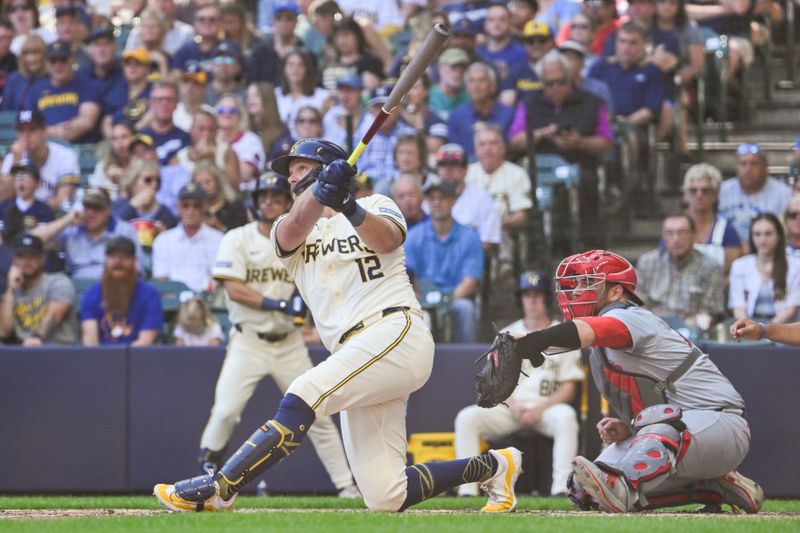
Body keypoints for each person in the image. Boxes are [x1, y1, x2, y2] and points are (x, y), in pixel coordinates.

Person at [153, 137, 522, 514]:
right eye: (290, 172)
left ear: (324, 166)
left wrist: (347, 204)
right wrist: (321, 195)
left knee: (305, 389)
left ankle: (223, 487)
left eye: (299, 169)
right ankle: (494, 467)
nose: (291, 179)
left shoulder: (376, 205)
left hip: (396, 330)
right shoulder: (287, 226)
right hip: (353, 354)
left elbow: (388, 239)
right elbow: (294, 227)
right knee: (385, 496)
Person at [500, 249, 762, 513]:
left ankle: (689, 474)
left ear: (616, 292)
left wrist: (534, 340)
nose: (577, 291)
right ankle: (717, 486)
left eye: (587, 283)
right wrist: (630, 429)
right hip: (683, 431)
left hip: (721, 422)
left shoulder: (630, 316)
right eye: (575, 284)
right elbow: (656, 402)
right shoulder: (599, 350)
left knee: (621, 480)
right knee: (585, 492)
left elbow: (587, 330)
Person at [196, 172, 360, 498]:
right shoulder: (238, 237)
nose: (268, 202)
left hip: (289, 342)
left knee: (318, 412)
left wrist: (305, 307)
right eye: (263, 197)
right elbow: (233, 288)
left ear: (288, 201)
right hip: (248, 341)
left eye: (275, 196)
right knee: (226, 411)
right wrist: (279, 303)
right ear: (254, 203)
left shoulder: (301, 234)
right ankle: (205, 479)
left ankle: (346, 486)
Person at [455, 271, 583, 497]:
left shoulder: (561, 335)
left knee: (566, 417)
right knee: (467, 418)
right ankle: (467, 490)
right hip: (511, 408)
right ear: (520, 299)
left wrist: (539, 409)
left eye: (537, 295)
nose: (532, 300)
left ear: (546, 298)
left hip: (546, 410)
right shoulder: (505, 336)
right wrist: (515, 408)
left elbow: (568, 388)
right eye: (527, 295)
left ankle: (562, 489)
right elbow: (495, 382)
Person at [405, 179, 484, 343]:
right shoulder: (414, 236)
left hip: (454, 297)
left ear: (453, 200)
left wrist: (445, 301)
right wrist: (421, 299)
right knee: (409, 313)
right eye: (432, 198)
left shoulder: (470, 237)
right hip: (421, 298)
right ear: (426, 202)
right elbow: (407, 277)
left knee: (465, 308)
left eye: (443, 198)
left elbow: (470, 282)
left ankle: (467, 362)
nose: (437, 202)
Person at [32, 187, 144, 280]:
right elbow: (33, 240)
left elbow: (137, 268)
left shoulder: (123, 230)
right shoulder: (72, 229)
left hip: (114, 287)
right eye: (87, 207)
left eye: (97, 208)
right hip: (76, 291)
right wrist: (65, 221)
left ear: (109, 209)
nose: (91, 213)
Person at [636, 213, 724, 328]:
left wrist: (685, 325)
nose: (676, 239)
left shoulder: (710, 267)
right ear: (663, 236)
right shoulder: (647, 262)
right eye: (669, 233)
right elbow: (639, 302)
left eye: (682, 232)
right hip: (652, 328)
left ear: (693, 235)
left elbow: (712, 311)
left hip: (692, 331)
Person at [80, 236, 163, 346]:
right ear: (105, 260)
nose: (118, 262)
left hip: (138, 358)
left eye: (124, 257)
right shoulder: (92, 294)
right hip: (100, 359)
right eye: (112, 256)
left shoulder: (150, 295)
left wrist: (122, 360)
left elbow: (145, 341)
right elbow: (90, 340)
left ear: (134, 261)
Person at [0, 233, 77, 345]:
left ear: (42, 259)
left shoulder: (58, 282)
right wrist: (11, 290)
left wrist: (38, 337)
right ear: (13, 259)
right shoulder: (10, 290)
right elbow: (3, 332)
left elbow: (54, 316)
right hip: (20, 353)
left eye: (32, 256)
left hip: (57, 351)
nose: (26, 261)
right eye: (21, 256)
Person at [0, 108, 80, 210]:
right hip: (20, 219)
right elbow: (2, 198)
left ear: (44, 131)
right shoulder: (13, 157)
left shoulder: (65, 156)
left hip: (53, 220)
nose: (26, 136)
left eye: (32, 129)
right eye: (21, 130)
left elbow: (62, 202)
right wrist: (16, 162)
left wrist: (30, 210)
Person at [152, 183, 224, 293]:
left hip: (208, 300)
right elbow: (161, 279)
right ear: (178, 207)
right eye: (185, 206)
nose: (190, 211)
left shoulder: (218, 239)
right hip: (173, 301)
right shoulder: (163, 240)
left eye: (196, 206)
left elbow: (219, 278)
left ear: (204, 207)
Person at [728, 214, 800, 324]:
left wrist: (765, 331)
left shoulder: (795, 265)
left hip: (783, 329)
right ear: (751, 237)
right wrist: (748, 327)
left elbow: (791, 309)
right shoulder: (739, 265)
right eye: (757, 234)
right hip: (748, 329)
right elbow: (738, 306)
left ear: (779, 235)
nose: (762, 239)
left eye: (768, 233)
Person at [25, 40, 101, 144]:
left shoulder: (87, 86)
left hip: (81, 148)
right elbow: (28, 124)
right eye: (53, 61)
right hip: (45, 149)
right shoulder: (36, 90)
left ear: (72, 60)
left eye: (63, 60)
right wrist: (55, 131)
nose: (58, 65)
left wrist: (54, 131)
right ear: (46, 64)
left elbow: (87, 121)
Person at [718, 144, 792, 248]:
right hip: (729, 249)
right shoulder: (724, 190)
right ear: (737, 168)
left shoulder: (783, 193)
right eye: (743, 164)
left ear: (765, 167)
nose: (748, 169)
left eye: (754, 164)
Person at [467, 125, 532, 234]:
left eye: (493, 143)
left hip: (503, 232)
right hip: (468, 232)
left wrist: (494, 224)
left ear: (503, 148)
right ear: (476, 150)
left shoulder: (517, 174)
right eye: (482, 144)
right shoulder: (466, 172)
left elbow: (521, 215)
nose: (487, 148)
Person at [435, 143, 502, 250]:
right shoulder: (429, 199)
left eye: (454, 165)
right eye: (443, 165)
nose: (448, 169)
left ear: (465, 169)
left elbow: (487, 241)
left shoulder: (482, 198)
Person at [681, 163, 742, 273]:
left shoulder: (727, 230)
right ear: (686, 195)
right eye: (693, 190)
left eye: (705, 191)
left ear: (716, 194)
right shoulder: (675, 228)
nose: (699, 195)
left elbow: (733, 272)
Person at [448, 62, 514, 163]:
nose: (476, 85)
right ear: (466, 88)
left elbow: (512, 150)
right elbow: (455, 153)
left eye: (482, 80)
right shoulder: (456, 117)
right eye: (471, 81)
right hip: (466, 173)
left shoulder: (509, 114)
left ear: (492, 86)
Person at [175, 105, 241, 189]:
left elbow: (235, 187)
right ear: (191, 130)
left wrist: (213, 158)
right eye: (201, 129)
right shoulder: (180, 157)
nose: (206, 134)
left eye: (211, 129)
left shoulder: (227, 152)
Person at [275, 48, 330, 139]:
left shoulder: (323, 96)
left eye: (300, 65)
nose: (295, 69)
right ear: (284, 69)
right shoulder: (275, 95)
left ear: (307, 69)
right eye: (291, 65)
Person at [498, 20, 555, 107]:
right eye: (530, 41)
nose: (536, 45)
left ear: (551, 43)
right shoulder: (514, 71)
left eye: (542, 41)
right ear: (524, 44)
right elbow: (506, 105)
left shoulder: (558, 70)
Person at [216, 93, 265, 190]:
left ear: (240, 115)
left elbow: (244, 174)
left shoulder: (251, 140)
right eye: (221, 110)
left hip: (245, 195)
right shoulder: (212, 139)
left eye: (232, 111)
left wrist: (217, 151)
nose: (226, 114)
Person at [138, 81, 192, 167]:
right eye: (159, 99)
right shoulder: (139, 137)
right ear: (150, 103)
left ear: (176, 104)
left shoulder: (186, 138)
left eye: (169, 99)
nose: (164, 104)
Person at [0, 162, 54, 244]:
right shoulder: (3, 207)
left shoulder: (45, 211)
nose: (21, 180)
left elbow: (45, 240)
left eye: (26, 177)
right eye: (17, 177)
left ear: (38, 183)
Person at [477, 3, 527, 85]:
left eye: (502, 19)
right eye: (491, 19)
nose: (497, 24)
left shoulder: (520, 53)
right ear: (485, 24)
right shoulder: (478, 51)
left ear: (510, 23)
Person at [192, 161, 247, 233]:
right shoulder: (191, 209)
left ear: (218, 182)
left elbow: (241, 237)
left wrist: (219, 227)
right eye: (199, 183)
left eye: (207, 182)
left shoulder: (235, 207)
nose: (203, 187)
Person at [125, 0, 195, 56]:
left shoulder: (186, 32)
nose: (161, 4)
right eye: (157, 0)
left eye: (166, 0)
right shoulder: (137, 32)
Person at [171, 3, 222, 74]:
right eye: (202, 19)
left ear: (220, 23)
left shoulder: (228, 49)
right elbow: (176, 77)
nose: (207, 23)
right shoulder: (185, 50)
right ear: (195, 23)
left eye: (212, 19)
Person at [1, 33, 47, 112]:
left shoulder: (53, 78)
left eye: (36, 53)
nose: (32, 58)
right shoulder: (14, 79)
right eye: (27, 53)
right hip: (16, 123)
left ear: (45, 55)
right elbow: (5, 111)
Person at [428, 47, 470, 122]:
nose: (458, 73)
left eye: (462, 68)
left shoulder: (469, 98)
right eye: (453, 67)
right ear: (440, 68)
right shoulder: (427, 95)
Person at [204, 41, 246, 106]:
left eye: (228, 60)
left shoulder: (245, 95)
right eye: (218, 59)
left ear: (238, 66)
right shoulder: (202, 93)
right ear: (211, 65)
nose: (223, 64)